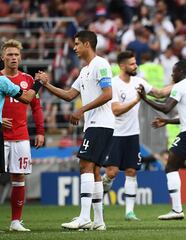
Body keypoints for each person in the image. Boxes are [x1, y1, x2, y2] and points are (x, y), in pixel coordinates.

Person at [41, 30, 114, 230]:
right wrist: (46, 84)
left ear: (87, 44)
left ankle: (84, 217)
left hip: (101, 123)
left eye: (76, 44)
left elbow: (108, 94)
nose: (74, 48)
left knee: (84, 165)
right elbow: (69, 94)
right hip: (96, 124)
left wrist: (81, 109)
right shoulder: (84, 70)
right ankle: (99, 222)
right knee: (95, 171)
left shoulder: (101, 64)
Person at [101, 50, 171, 221]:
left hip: (133, 134)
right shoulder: (114, 84)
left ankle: (129, 212)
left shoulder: (139, 82)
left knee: (132, 171)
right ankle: (99, 197)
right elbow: (116, 110)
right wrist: (137, 100)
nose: (135, 66)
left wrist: (181, 84)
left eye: (135, 62)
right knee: (112, 172)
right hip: (115, 134)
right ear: (122, 66)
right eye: (132, 64)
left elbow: (160, 93)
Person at [138, 60, 186, 221]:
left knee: (170, 165)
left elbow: (166, 107)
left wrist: (144, 98)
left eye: (174, 72)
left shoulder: (180, 86)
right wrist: (167, 122)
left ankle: (177, 209)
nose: (172, 75)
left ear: (181, 72)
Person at [0, 39, 45, 232]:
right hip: (1, 136)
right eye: (9, 54)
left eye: (16, 55)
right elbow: (28, 96)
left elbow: (35, 105)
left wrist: (40, 131)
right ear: (2, 57)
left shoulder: (26, 79)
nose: (13, 58)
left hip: (20, 135)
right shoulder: (2, 79)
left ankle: (16, 221)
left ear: (21, 57)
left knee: (19, 177)